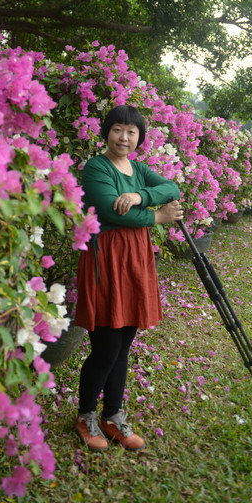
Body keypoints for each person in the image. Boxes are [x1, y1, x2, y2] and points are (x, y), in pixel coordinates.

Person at [74, 105, 183, 452]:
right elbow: (110, 211)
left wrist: (141, 196)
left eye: (131, 132)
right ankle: (85, 415)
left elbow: (173, 188)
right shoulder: (96, 167)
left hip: (134, 259)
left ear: (139, 137)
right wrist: (157, 217)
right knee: (105, 346)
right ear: (107, 132)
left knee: (123, 345)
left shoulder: (137, 169)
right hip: (106, 258)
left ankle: (112, 416)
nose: (124, 137)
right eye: (118, 129)